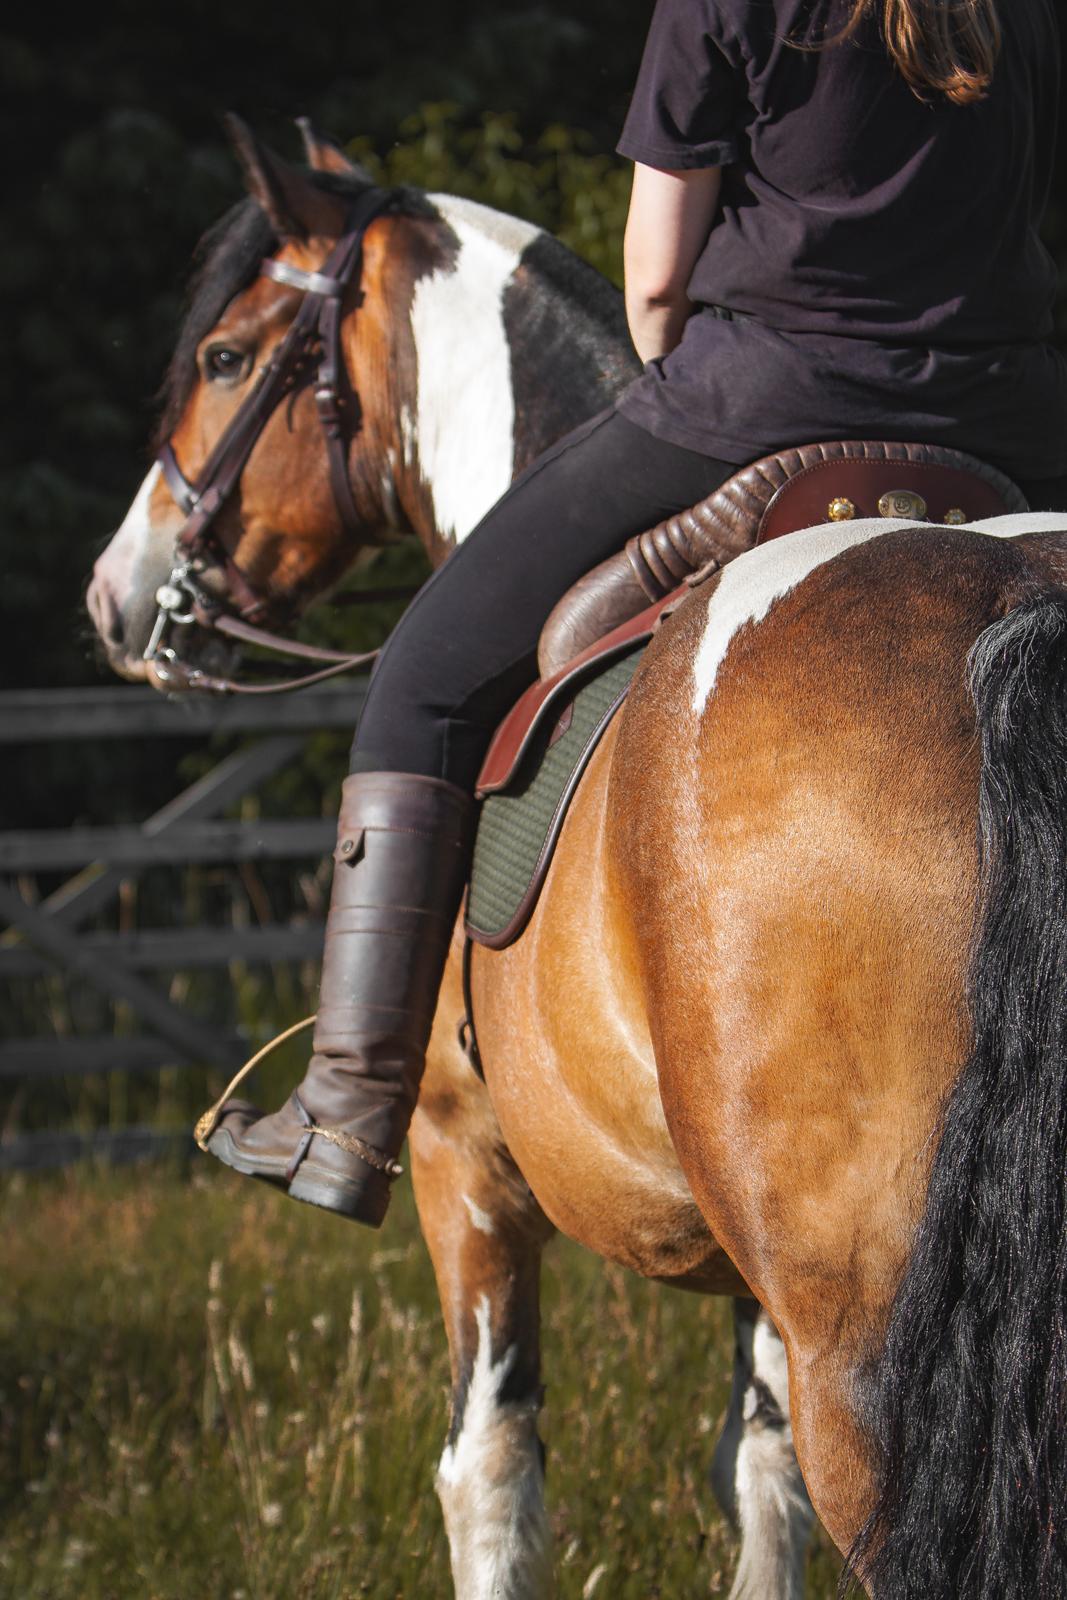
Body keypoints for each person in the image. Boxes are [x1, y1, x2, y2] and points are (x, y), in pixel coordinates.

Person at [203, 0, 1067, 1226]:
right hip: (1016, 416)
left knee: (424, 677)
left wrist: (671, 378)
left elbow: (655, 277)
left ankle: (344, 1109)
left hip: (762, 397)